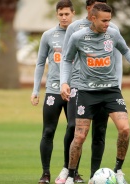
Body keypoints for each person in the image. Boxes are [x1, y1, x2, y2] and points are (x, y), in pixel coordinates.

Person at [60, 3, 130, 184]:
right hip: (86, 92)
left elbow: (125, 49)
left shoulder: (113, 33)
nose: (108, 24)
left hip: (111, 90)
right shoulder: (78, 37)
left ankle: (118, 171)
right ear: (93, 18)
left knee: (125, 129)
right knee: (80, 136)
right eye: (104, 21)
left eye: (109, 20)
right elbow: (67, 60)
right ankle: (71, 174)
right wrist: (64, 83)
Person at [55, 0, 123, 183]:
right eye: (96, 7)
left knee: (100, 131)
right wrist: (65, 82)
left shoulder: (111, 28)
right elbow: (67, 59)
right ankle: (68, 170)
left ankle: (95, 175)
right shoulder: (75, 29)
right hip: (79, 86)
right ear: (89, 9)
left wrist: (117, 86)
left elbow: (117, 59)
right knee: (74, 129)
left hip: (105, 88)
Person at [30, 1, 77, 183]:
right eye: (61, 14)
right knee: (48, 131)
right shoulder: (48, 36)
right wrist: (36, 90)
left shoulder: (80, 34)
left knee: (74, 129)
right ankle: (45, 173)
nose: (64, 17)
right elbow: (40, 63)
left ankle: (71, 171)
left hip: (75, 90)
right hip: (53, 91)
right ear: (57, 15)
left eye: (67, 14)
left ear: (73, 13)